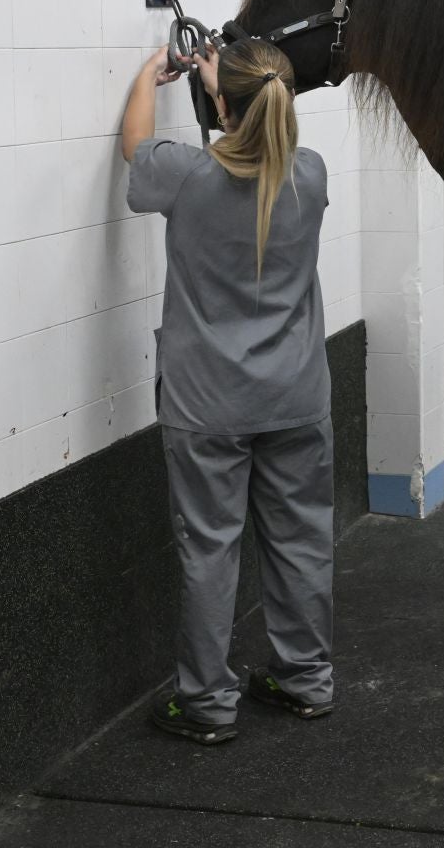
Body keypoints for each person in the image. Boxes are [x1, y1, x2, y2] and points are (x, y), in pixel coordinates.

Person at [120, 36, 335, 744]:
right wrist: (228, 87)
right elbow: (258, 139)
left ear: (220, 105)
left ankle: (208, 705)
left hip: (207, 406)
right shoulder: (312, 174)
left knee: (211, 551)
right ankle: (305, 680)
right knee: (301, 541)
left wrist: (152, 77)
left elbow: (136, 148)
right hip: (297, 397)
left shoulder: (184, 176)